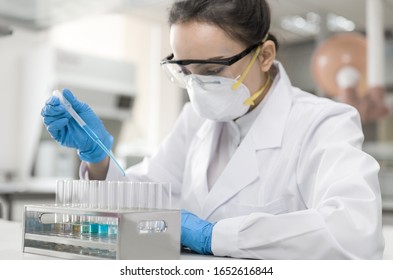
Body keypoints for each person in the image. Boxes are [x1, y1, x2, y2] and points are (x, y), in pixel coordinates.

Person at [41, 0, 385, 259]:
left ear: (264, 56)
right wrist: (99, 160)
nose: (197, 86)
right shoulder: (196, 120)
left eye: (211, 69)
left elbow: (354, 231)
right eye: (185, 71)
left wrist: (216, 236)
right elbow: (144, 196)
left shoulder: (323, 122)